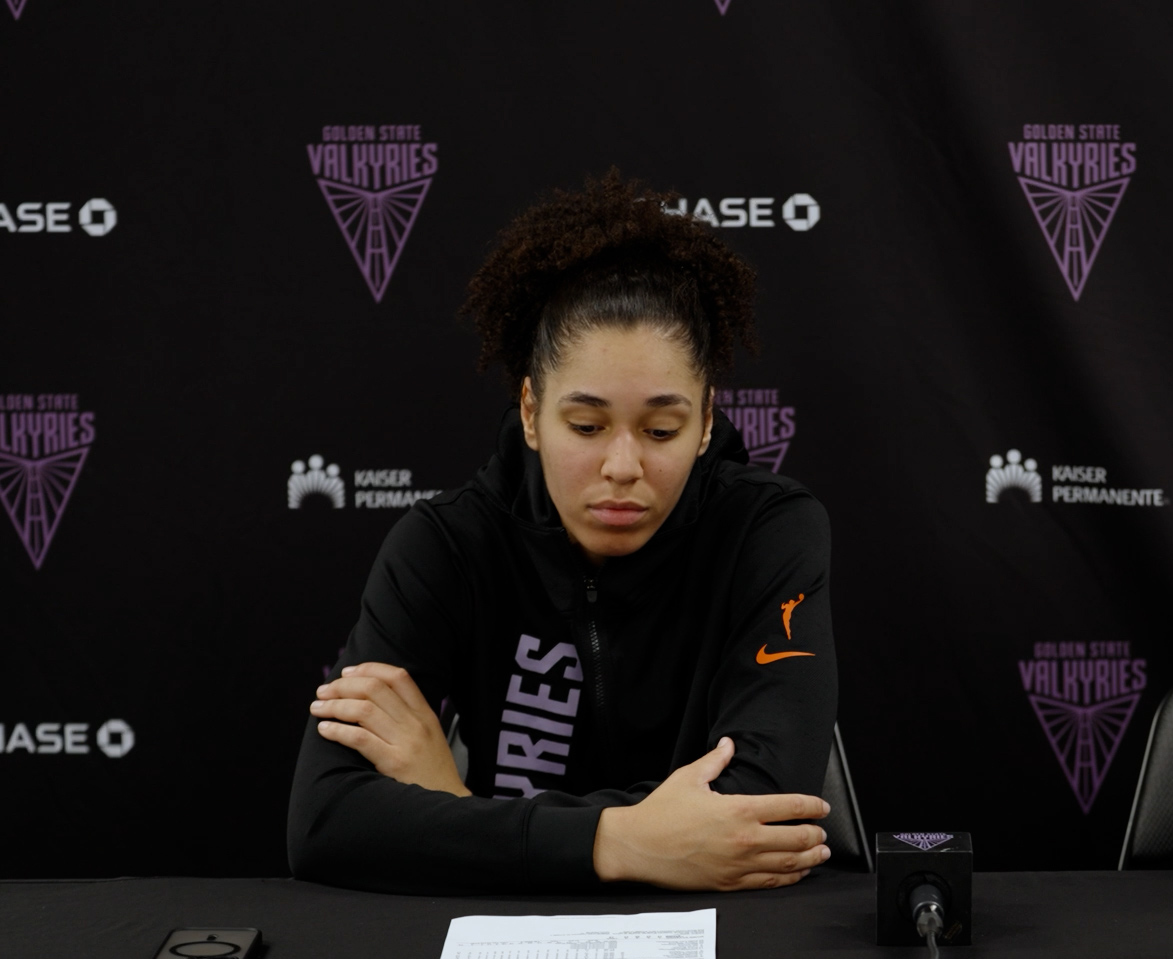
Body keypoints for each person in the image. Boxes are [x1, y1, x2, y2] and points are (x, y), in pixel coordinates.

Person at [287, 171, 837, 894]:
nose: (622, 466)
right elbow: (325, 824)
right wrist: (618, 843)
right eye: (585, 425)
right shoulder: (446, 547)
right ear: (529, 412)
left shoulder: (768, 530)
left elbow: (764, 807)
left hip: (727, 948)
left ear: (707, 423)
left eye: (661, 429)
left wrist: (455, 811)